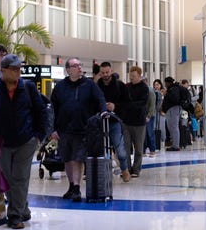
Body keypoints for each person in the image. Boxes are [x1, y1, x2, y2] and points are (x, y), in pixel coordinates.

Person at [0, 54, 51, 229]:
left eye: (19, 68)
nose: (18, 71)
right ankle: (23, 209)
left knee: (20, 178)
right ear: (3, 71)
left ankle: (14, 215)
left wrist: (39, 136)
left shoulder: (28, 88)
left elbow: (41, 112)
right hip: (2, 142)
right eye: (14, 69)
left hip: (26, 140)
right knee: (6, 178)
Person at [50, 57, 107, 201]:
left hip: (83, 128)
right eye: (76, 66)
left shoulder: (89, 85)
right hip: (64, 129)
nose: (80, 68)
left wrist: (103, 112)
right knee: (67, 159)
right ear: (68, 70)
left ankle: (76, 187)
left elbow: (100, 99)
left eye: (80, 65)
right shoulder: (60, 87)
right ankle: (71, 185)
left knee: (77, 159)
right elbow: (53, 108)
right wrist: (52, 129)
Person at [96, 61, 131, 182]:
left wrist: (115, 107)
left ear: (111, 71)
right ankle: (103, 173)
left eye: (107, 72)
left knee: (120, 150)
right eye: (103, 73)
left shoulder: (120, 86)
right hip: (100, 123)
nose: (105, 75)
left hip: (115, 122)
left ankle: (125, 169)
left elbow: (127, 103)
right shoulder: (96, 87)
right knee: (100, 151)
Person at [121, 66, 149, 177]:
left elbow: (142, 103)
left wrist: (128, 105)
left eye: (134, 76)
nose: (131, 78)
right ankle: (127, 169)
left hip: (139, 123)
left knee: (138, 148)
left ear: (139, 76)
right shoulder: (127, 87)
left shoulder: (144, 88)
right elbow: (123, 101)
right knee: (126, 148)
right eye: (130, 76)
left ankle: (136, 169)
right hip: (127, 122)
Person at [161, 77, 184, 151]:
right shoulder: (172, 88)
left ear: (168, 83)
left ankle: (176, 146)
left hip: (173, 110)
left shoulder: (174, 88)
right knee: (172, 127)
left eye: (165, 83)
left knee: (174, 127)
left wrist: (166, 94)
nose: (165, 84)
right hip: (172, 110)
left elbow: (175, 99)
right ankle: (174, 144)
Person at [143, 77, 156, 157]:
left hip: (149, 115)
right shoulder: (142, 90)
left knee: (150, 132)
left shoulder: (150, 91)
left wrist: (149, 116)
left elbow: (152, 105)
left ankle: (152, 150)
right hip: (143, 115)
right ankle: (143, 150)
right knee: (143, 134)